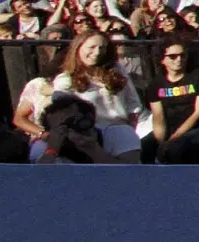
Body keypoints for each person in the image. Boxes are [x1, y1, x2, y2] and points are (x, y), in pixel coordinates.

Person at [52, 30, 147, 159]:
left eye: (101, 48)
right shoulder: (65, 80)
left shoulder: (117, 70)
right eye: (91, 47)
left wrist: (130, 127)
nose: (97, 53)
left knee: (130, 170)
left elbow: (133, 102)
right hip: (90, 135)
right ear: (78, 48)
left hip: (121, 130)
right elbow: (62, 114)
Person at [144, 40, 199, 161]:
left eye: (182, 55)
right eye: (173, 56)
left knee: (178, 149)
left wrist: (173, 139)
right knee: (145, 146)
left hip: (196, 128)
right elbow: (158, 116)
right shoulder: (156, 83)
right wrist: (162, 142)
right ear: (162, 59)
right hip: (169, 128)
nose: (179, 59)